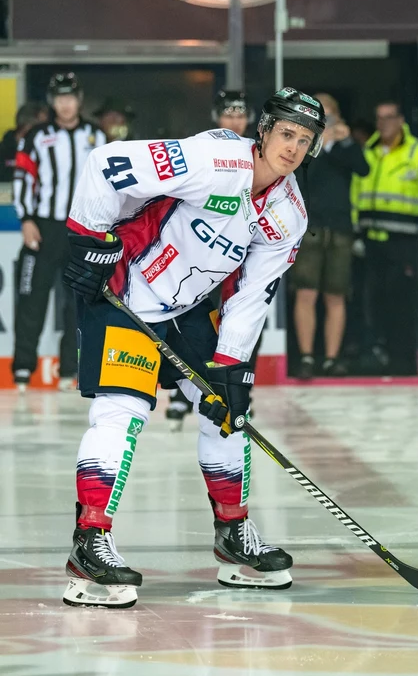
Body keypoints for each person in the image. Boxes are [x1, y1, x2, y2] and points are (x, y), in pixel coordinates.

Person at [59, 88, 325, 609]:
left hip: (190, 311)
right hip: (127, 290)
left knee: (226, 415)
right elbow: (106, 162)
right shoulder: (214, 159)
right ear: (264, 130)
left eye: (304, 140)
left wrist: (232, 365)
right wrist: (87, 241)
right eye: (286, 134)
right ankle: (89, 542)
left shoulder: (290, 214)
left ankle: (233, 534)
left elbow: (253, 294)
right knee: (123, 412)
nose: (292, 148)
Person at [166, 88, 256, 431]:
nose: (234, 119)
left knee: (239, 318)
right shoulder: (205, 148)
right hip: (202, 251)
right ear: (217, 116)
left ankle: (236, 385)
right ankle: (180, 390)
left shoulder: (259, 153)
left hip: (240, 255)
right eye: (228, 113)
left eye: (240, 113)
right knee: (190, 317)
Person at [12, 73, 107, 392]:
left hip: (81, 229)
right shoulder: (37, 135)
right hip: (44, 226)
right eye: (59, 98)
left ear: (79, 100)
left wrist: (103, 223)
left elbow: (108, 184)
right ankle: (23, 368)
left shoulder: (97, 135)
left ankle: (71, 369)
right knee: (31, 299)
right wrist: (26, 219)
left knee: (76, 303)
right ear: (52, 102)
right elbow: (24, 179)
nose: (65, 104)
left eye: (70, 97)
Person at [291, 93, 370, 379]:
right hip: (309, 226)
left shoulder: (344, 143)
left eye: (331, 112)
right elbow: (302, 168)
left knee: (336, 295)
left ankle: (331, 358)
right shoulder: (302, 141)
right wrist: (320, 140)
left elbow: (363, 168)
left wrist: (344, 141)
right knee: (306, 292)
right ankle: (307, 357)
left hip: (340, 228)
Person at [351, 101, 418, 375]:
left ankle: (404, 358)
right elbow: (355, 192)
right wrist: (355, 232)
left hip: (404, 240)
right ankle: (378, 354)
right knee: (373, 300)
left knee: (402, 300)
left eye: (389, 117)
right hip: (371, 240)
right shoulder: (369, 152)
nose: (383, 123)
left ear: (401, 120)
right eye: (379, 118)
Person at [0, 102, 47, 183]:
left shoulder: (47, 152)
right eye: (42, 127)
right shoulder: (3, 152)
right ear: (27, 127)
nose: (47, 132)